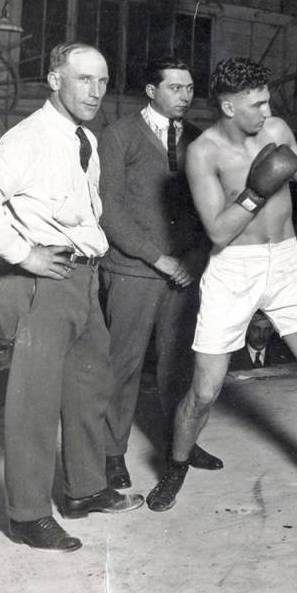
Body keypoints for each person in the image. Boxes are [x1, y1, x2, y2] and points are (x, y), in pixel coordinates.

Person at [144, 56, 297, 516]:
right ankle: (174, 468)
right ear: (229, 107)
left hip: (286, 261)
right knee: (206, 389)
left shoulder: (276, 130)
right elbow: (216, 231)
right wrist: (256, 190)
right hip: (234, 267)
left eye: (267, 100)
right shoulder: (204, 152)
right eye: (256, 104)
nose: (267, 111)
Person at [0, 42, 143, 553]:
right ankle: (27, 515)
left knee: (88, 389)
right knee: (33, 405)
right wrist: (23, 253)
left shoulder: (86, 139)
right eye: (84, 79)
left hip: (82, 277)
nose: (96, 91)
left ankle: (84, 491)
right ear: (55, 80)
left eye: (102, 81)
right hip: (42, 282)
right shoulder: (29, 138)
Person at [98, 57, 219, 491]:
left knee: (179, 365)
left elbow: (211, 208)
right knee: (123, 364)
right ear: (151, 91)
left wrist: (193, 258)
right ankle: (112, 453)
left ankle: (181, 446)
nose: (185, 96)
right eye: (175, 88)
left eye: (189, 88)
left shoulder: (201, 140)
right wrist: (157, 258)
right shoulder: (119, 135)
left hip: (183, 272)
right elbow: (108, 210)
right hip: (134, 269)